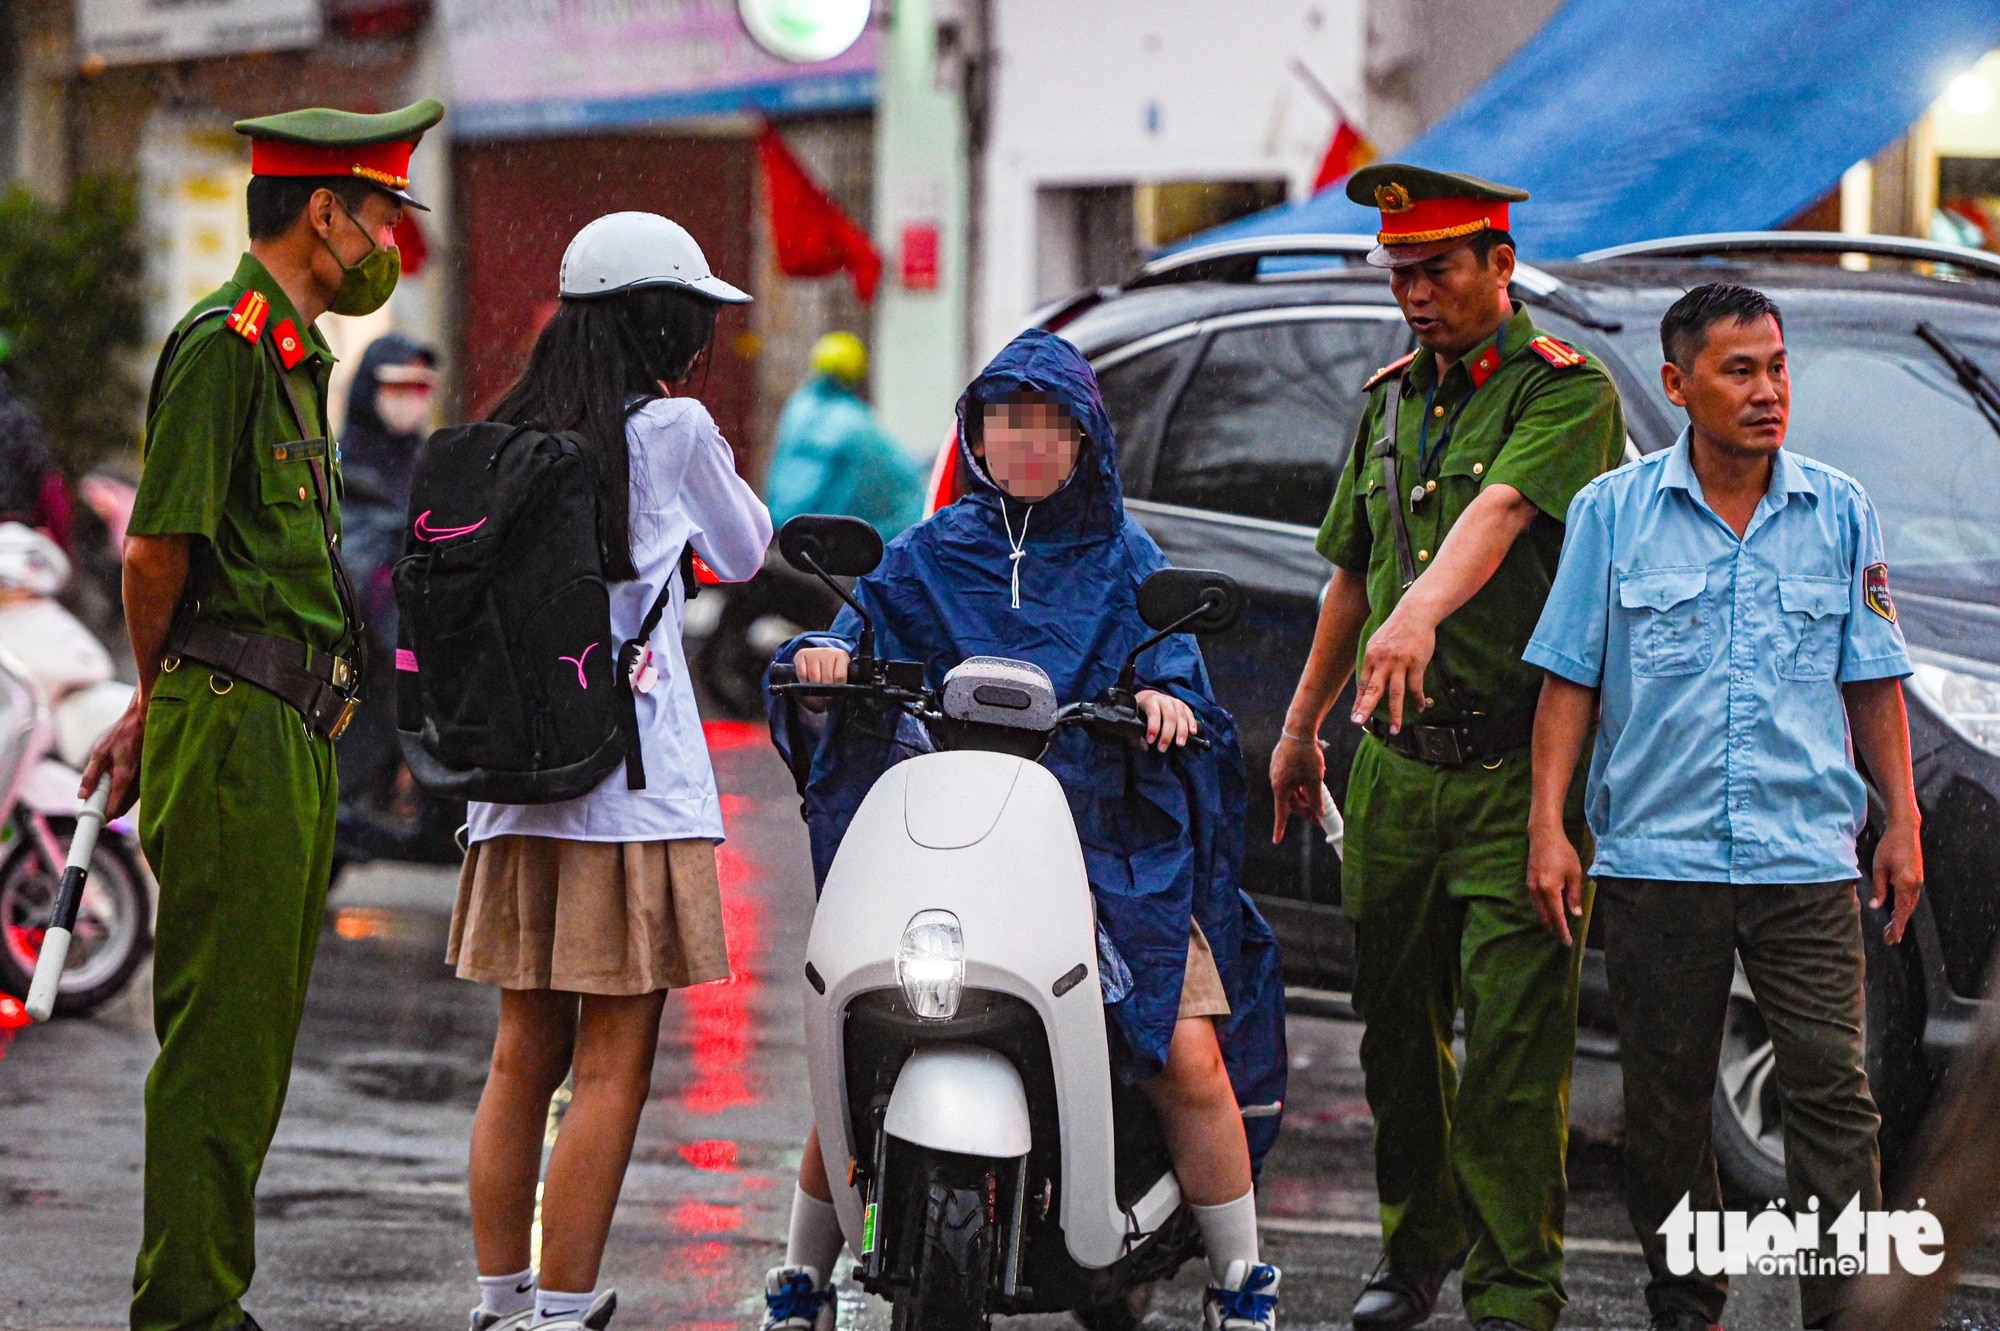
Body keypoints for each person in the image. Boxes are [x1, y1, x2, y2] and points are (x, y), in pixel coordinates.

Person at [761, 328, 1289, 1331]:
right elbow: (850, 632)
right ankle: (799, 1273)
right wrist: (826, 658)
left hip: (1109, 855)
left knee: (1184, 1049)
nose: (1031, 440)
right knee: (861, 1038)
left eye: (1053, 422)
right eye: (1010, 420)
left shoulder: (1127, 558)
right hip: (950, 848)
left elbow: (1172, 665)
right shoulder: (923, 553)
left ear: (1087, 437)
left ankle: (1240, 1277)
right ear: (976, 432)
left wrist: (1165, 699)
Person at [75, 99, 442, 1331]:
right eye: (382, 209)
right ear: (323, 210)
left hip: (282, 727)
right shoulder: (226, 345)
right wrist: (154, 700)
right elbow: (155, 551)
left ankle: (202, 1293)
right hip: (230, 722)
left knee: (256, 1041)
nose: (393, 238)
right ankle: (186, 1307)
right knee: (219, 1048)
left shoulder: (295, 355)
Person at [1523, 284, 1922, 1331]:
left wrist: (1902, 822)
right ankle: (1682, 1304)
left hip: (1802, 856)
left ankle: (1842, 1312)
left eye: (1775, 367)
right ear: (1675, 384)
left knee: (1832, 1095)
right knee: (1664, 1101)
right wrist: (1547, 825)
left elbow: (1870, 679)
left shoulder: (1838, 509)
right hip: (1658, 856)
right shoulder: (1612, 514)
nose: (1765, 392)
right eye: (1737, 371)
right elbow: (1569, 679)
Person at [1268, 164, 1626, 1331]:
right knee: (1392, 1037)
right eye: (1399, 274)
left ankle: (1513, 1292)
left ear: (1498, 265)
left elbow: (1501, 511)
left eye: (1435, 269)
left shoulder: (1563, 392)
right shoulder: (1383, 400)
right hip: (1391, 773)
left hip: (1515, 771)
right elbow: (1348, 571)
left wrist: (1420, 611)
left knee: (1515, 1047)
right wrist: (1299, 725)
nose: (1414, 294)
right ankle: (1410, 1252)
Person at [450, 211, 772, 1331]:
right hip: (628, 792)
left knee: (518, 1058)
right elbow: (743, 551)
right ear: (669, 326)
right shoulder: (671, 429)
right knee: (612, 1066)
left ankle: (500, 1298)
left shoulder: (509, 430)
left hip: (515, 785)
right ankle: (566, 1306)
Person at [335, 333, 438, 814]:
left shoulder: (427, 467)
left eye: (420, 388)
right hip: (360, 655)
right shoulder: (337, 466)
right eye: (397, 387)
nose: (409, 401)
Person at [765, 330, 926, 539]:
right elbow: (899, 471)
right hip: (830, 538)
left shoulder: (798, 407)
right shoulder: (856, 423)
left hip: (786, 528)